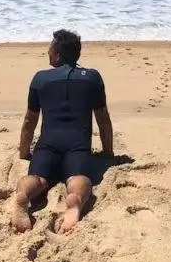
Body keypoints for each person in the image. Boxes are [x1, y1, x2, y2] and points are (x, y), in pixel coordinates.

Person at [11, 29, 113, 235]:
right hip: (78, 143)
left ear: (57, 54)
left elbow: (30, 120)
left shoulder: (40, 79)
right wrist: (107, 152)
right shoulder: (92, 78)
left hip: (48, 142)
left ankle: (23, 195)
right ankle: (75, 200)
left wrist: (24, 152)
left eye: (50, 48)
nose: (48, 51)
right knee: (78, 178)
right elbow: (102, 118)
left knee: (38, 179)